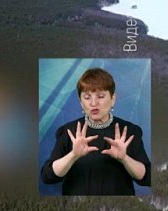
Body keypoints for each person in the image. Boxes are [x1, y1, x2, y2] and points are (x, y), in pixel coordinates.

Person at [41, 67, 151, 195]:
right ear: (81, 102)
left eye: (100, 96)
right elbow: (47, 177)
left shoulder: (129, 131)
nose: (93, 103)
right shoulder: (68, 131)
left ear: (113, 99)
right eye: (87, 97)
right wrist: (73, 155)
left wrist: (125, 159)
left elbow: (148, 178)